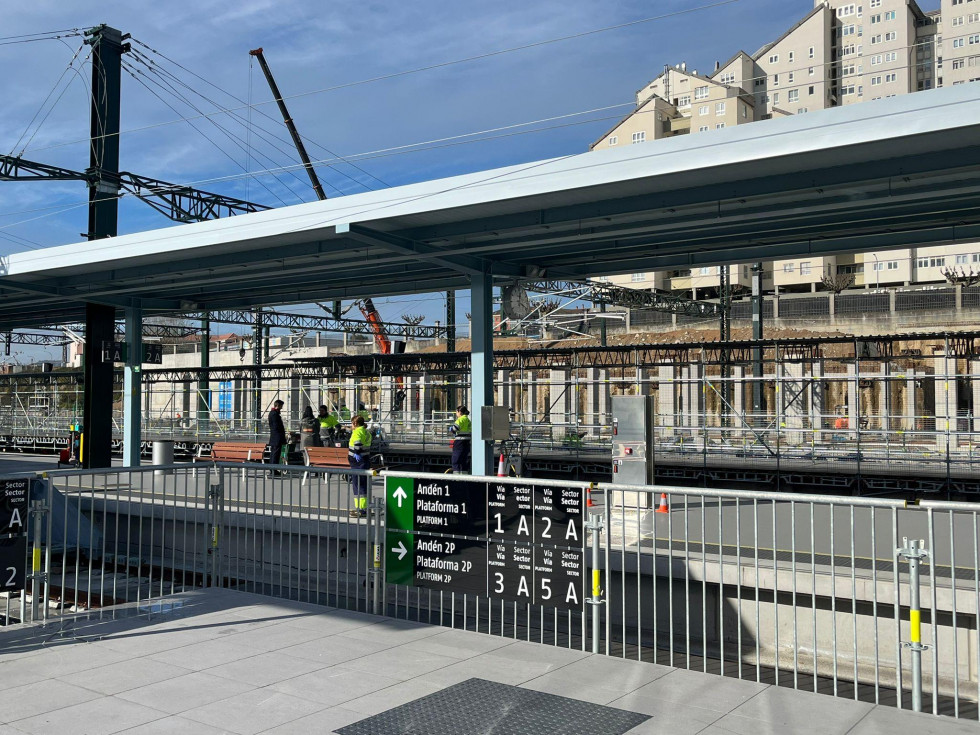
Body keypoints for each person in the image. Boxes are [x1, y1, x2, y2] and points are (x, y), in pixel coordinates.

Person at [348, 415, 372, 517]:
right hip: (365, 460)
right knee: (363, 484)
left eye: (352, 423)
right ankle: (363, 508)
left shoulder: (357, 431)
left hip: (357, 462)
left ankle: (361, 510)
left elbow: (357, 443)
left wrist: (356, 452)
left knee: (358, 485)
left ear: (355, 423)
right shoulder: (366, 431)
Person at [449, 405, 472, 474]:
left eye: (456, 412)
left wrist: (451, 429)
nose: (456, 413)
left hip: (459, 441)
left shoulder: (460, 419)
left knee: (456, 460)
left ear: (460, 412)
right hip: (467, 441)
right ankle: (464, 476)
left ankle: (456, 477)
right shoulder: (467, 420)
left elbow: (455, 428)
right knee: (463, 460)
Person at [268, 399, 286, 472]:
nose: (281, 407)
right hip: (277, 437)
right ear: (278, 405)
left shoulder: (273, 413)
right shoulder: (274, 414)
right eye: (281, 406)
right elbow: (276, 426)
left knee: (274, 453)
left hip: (275, 437)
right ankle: (273, 469)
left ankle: (272, 469)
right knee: (275, 453)